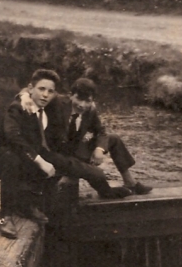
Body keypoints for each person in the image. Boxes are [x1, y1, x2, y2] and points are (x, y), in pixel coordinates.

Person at [0, 69, 131, 239]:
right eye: (41, 89)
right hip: (7, 155)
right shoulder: (19, 107)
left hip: (34, 151)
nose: (45, 95)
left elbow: (98, 130)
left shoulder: (49, 105)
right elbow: (13, 137)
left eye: (50, 91)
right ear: (31, 89)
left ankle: (27, 205)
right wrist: (23, 95)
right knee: (14, 158)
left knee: (55, 163)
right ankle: (6, 215)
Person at [20, 77, 152, 194]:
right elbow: (31, 90)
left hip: (75, 150)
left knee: (114, 139)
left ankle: (130, 182)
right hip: (56, 155)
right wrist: (24, 96)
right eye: (79, 99)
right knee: (92, 173)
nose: (82, 105)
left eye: (87, 101)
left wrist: (99, 149)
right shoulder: (57, 102)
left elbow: (101, 131)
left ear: (92, 101)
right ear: (71, 95)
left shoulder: (90, 110)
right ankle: (80, 180)